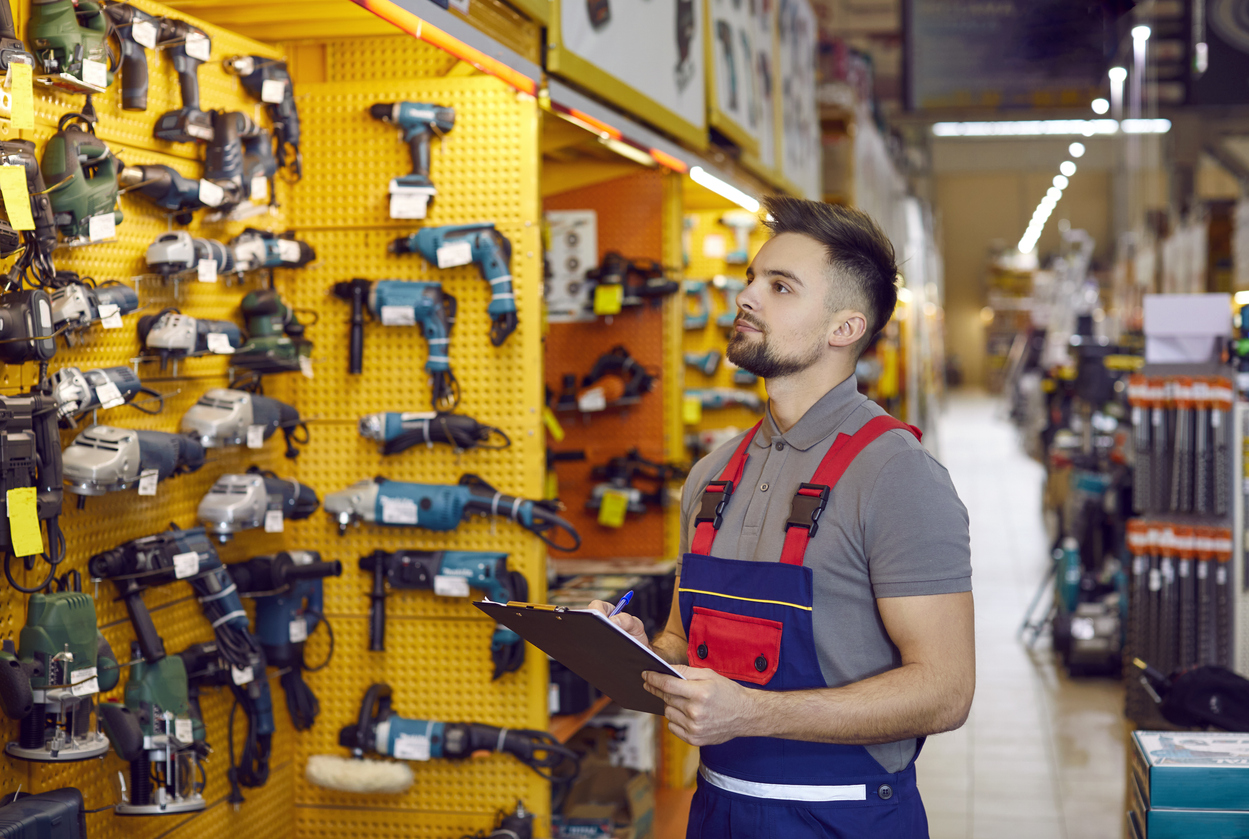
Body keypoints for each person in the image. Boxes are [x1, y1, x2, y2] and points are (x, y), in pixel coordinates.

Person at [590, 196, 974, 838]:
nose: (747, 298)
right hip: (717, 812)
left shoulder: (897, 475)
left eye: (781, 286)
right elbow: (683, 645)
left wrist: (751, 713)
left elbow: (945, 690)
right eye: (750, 279)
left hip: (846, 817)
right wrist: (634, 654)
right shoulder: (712, 476)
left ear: (844, 328)